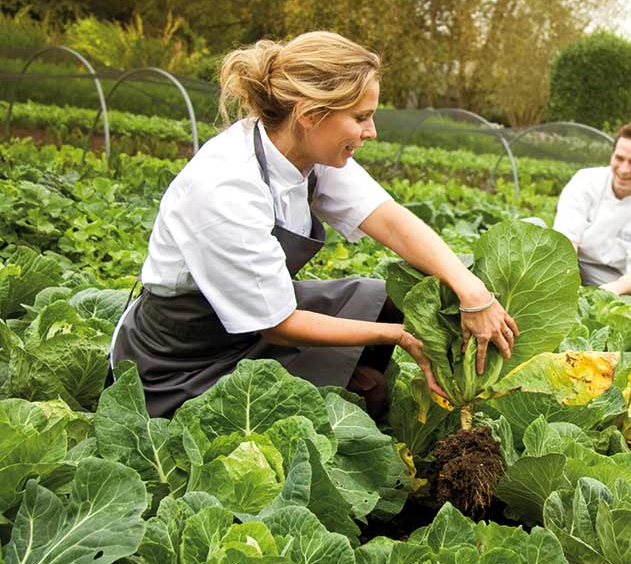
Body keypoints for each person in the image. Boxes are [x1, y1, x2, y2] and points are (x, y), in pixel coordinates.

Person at [109, 31, 518, 418]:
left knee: (388, 298)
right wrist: (399, 335)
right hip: (182, 357)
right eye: (361, 117)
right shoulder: (225, 188)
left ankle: (355, 390)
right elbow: (279, 325)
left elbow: (390, 221)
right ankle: (354, 396)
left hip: (252, 324)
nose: (370, 132)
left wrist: (472, 292)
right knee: (362, 389)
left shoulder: (306, 152)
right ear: (310, 114)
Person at [552, 121, 631, 296]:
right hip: (570, 259)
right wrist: (567, 281)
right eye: (619, 158)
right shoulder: (585, 181)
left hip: (609, 276)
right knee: (532, 225)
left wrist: (603, 294)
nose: (623, 169)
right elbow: (567, 241)